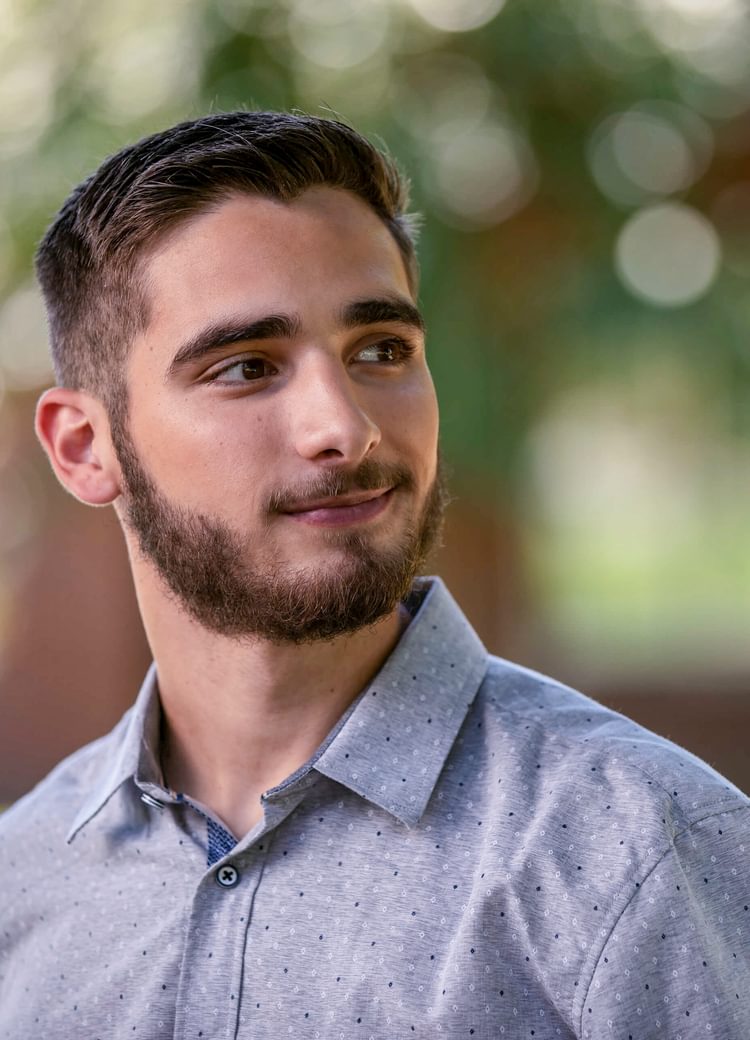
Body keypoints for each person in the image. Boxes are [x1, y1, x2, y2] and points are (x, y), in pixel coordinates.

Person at [0, 111, 747, 1039]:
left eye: (381, 351)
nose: (344, 429)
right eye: (247, 368)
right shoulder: (21, 885)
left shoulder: (644, 854)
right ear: (84, 448)